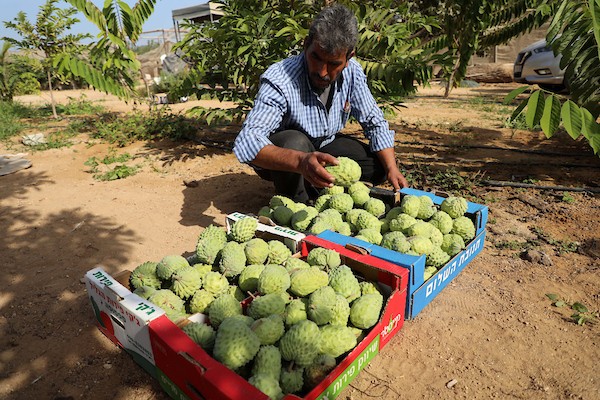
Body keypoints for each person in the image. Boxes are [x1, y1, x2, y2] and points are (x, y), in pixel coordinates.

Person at [233, 3, 408, 203]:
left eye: (334, 64)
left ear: (349, 57)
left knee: (378, 165)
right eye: (316, 58)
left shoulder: (353, 72)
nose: (323, 72)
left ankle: (318, 186)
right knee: (295, 142)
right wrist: (300, 161)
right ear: (306, 45)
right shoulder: (280, 78)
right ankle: (297, 200)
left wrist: (392, 168)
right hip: (287, 155)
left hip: (324, 145)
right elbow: (247, 141)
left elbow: (374, 121)